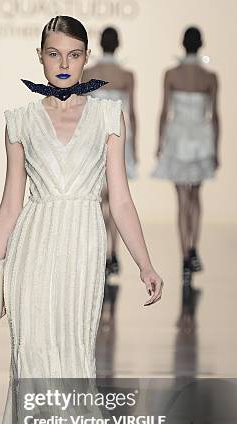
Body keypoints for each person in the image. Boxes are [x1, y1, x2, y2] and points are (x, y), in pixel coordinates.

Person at [0, 15, 171, 424]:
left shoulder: (109, 112)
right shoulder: (18, 120)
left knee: (71, 370)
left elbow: (121, 200)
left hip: (83, 254)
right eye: (54, 53)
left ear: (85, 59)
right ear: (39, 56)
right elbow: (11, 203)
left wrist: (145, 265)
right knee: (33, 370)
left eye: (73, 54)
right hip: (35, 253)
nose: (63, 63)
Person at [152, 26, 220, 286]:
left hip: (178, 140)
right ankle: (192, 247)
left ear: (183, 44)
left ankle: (184, 256)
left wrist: (160, 143)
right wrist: (216, 148)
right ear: (201, 44)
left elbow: (164, 111)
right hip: (202, 140)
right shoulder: (209, 77)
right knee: (196, 197)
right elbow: (214, 116)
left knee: (181, 200)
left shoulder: (171, 74)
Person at [82, 26, 137, 277]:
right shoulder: (126, 75)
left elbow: (80, 112)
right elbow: (132, 113)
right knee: (116, 198)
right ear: (119, 44)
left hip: (91, 142)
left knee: (98, 200)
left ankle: (101, 253)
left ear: (100, 44)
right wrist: (133, 146)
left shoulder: (89, 73)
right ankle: (113, 253)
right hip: (117, 139)